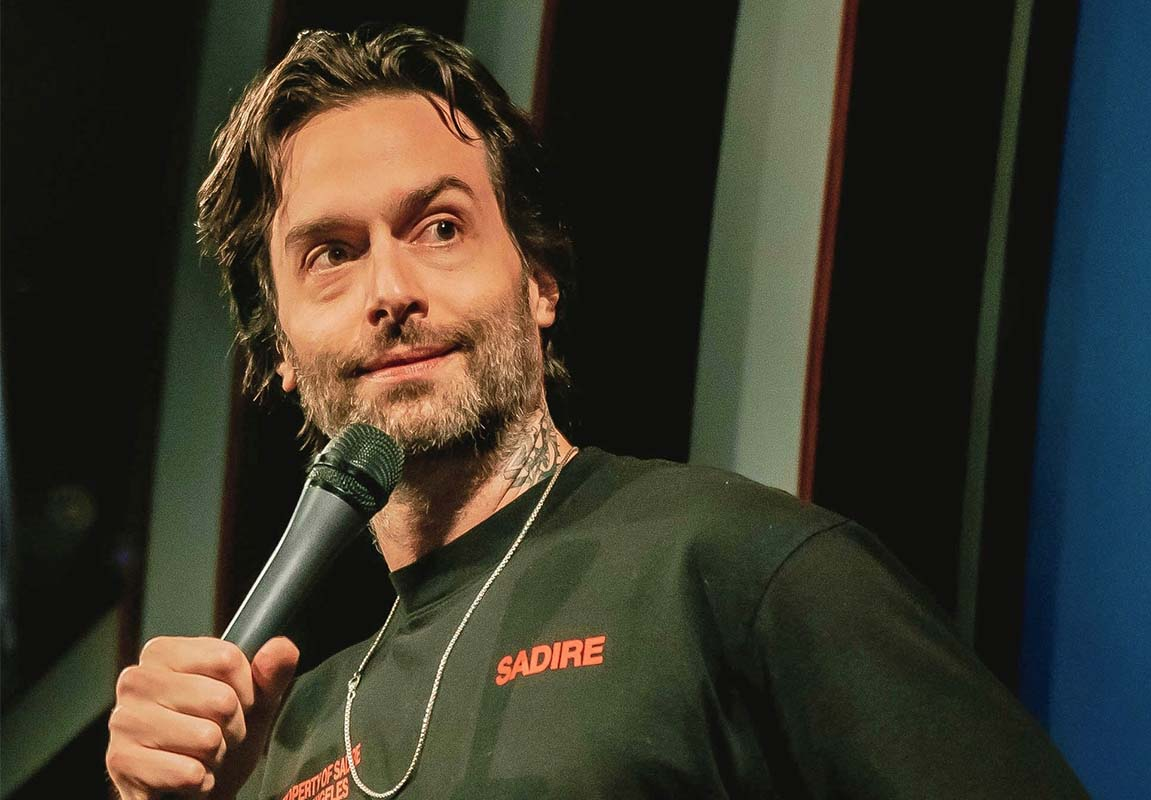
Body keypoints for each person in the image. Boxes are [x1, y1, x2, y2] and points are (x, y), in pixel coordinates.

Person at [105, 25, 1087, 800]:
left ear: (539, 278)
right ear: (279, 349)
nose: (391, 290)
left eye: (439, 227)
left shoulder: (733, 564)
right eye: (332, 253)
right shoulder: (281, 736)